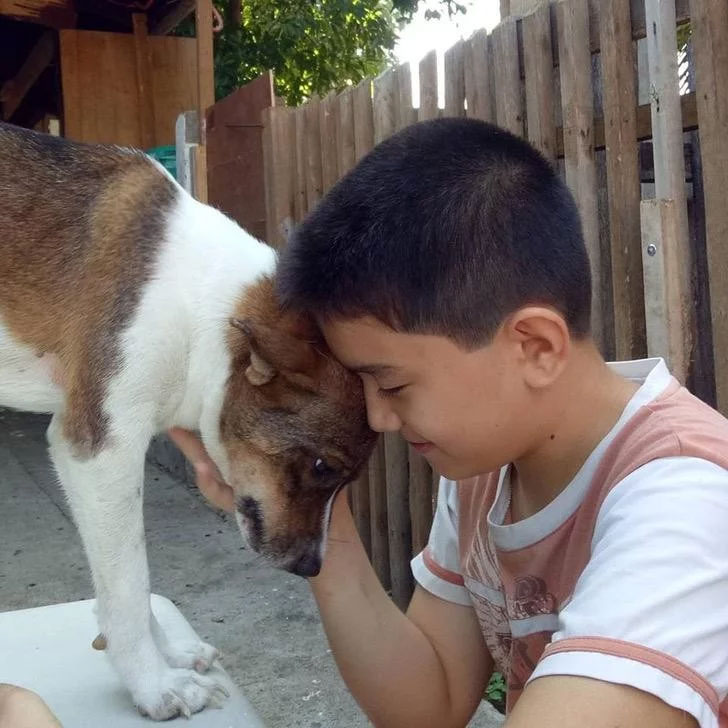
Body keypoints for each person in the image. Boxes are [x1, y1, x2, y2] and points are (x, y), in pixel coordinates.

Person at [171, 116, 728, 728]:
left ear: (535, 347)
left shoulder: (690, 502)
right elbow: (427, 704)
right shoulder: (487, 471)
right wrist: (311, 504)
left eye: (391, 383)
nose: (378, 417)